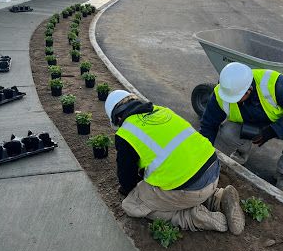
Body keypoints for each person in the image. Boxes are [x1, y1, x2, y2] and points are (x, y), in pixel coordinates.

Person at [104, 90, 245, 234]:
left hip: (189, 189)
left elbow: (126, 179)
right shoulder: (163, 111)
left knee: (132, 205)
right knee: (187, 182)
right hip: (213, 170)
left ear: (118, 117)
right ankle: (217, 198)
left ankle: (192, 217)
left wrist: (134, 191)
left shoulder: (126, 133)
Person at [200, 62, 283, 195]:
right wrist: (203, 155)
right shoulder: (221, 92)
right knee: (227, 131)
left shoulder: (275, 83)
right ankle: (242, 152)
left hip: (277, 123)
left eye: (236, 98)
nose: (232, 101)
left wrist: (273, 130)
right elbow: (208, 125)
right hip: (247, 125)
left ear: (249, 90)